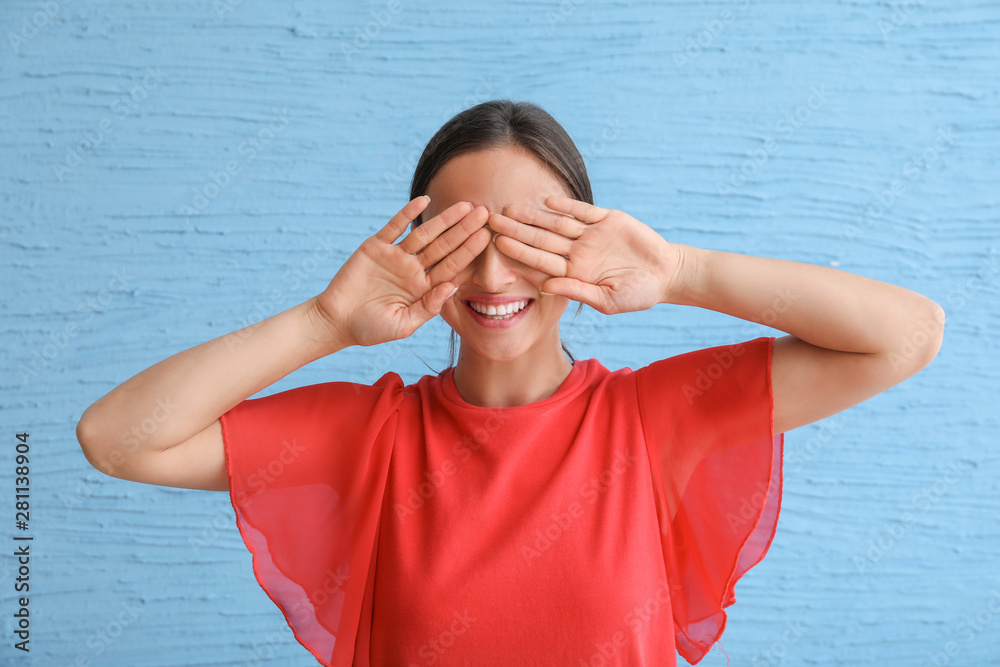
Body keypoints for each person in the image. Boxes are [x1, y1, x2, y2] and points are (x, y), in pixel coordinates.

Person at [75, 99, 945, 666]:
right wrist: (325, 324)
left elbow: (907, 335)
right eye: (461, 242)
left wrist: (681, 270)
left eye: (532, 242)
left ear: (585, 242)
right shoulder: (370, 435)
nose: (494, 280)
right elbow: (116, 437)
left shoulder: (653, 419)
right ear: (414, 255)